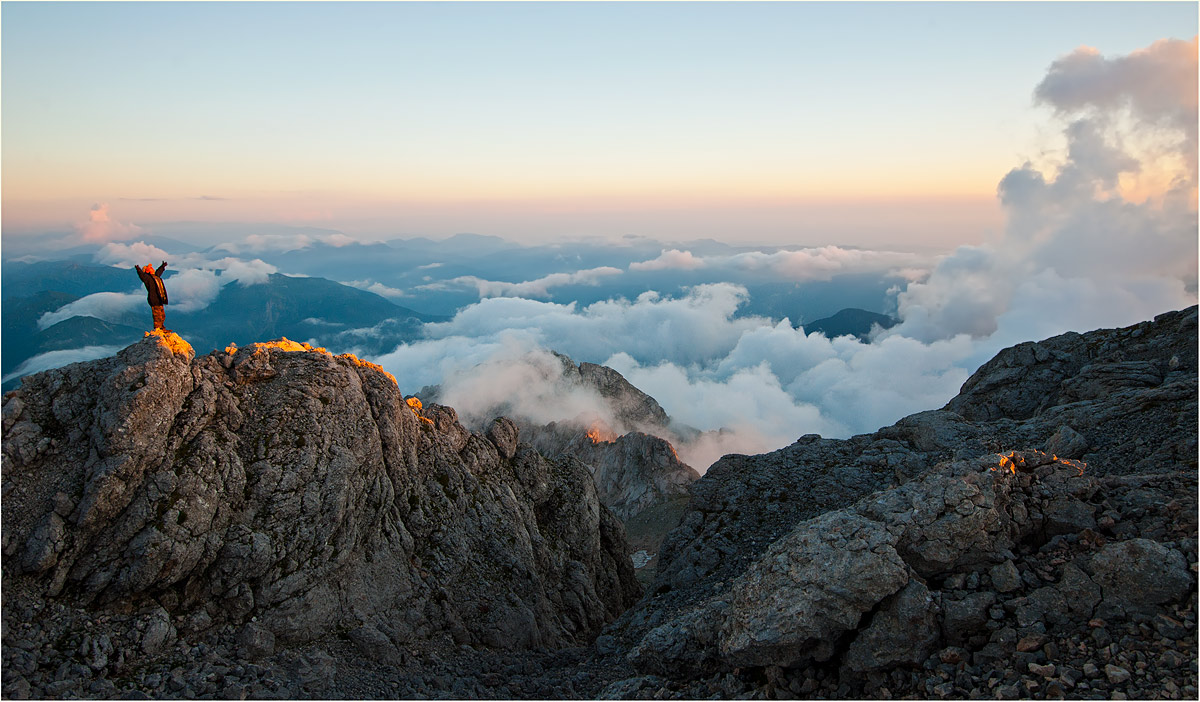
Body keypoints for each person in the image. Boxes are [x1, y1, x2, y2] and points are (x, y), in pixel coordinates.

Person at [135, 261, 169, 331]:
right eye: (150, 268)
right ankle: (157, 329)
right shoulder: (147, 278)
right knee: (157, 315)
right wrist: (138, 270)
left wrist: (163, 266)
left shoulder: (155, 277)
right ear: (147, 271)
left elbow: (158, 271)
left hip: (160, 299)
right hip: (154, 299)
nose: (152, 269)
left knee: (162, 315)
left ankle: (162, 327)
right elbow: (142, 276)